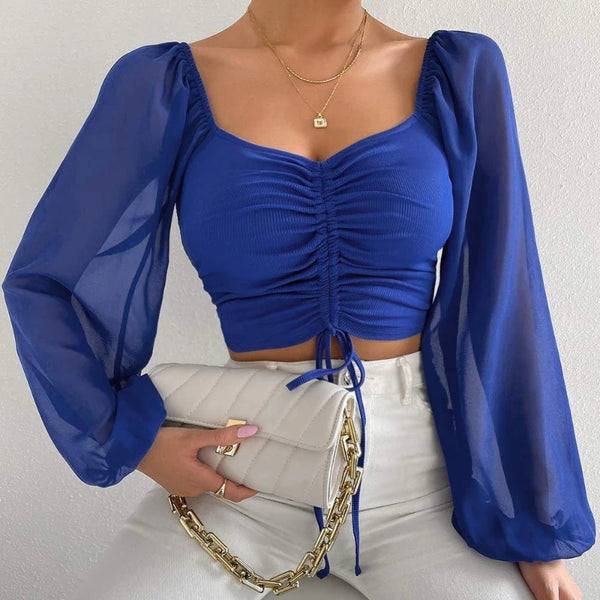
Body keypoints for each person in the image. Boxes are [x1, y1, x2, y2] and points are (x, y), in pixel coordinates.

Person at [2, 1, 594, 599]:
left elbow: (506, 298)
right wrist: (130, 441)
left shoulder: (458, 71)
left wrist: (536, 531)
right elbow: (45, 282)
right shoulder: (162, 84)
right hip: (243, 476)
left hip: (423, 487)